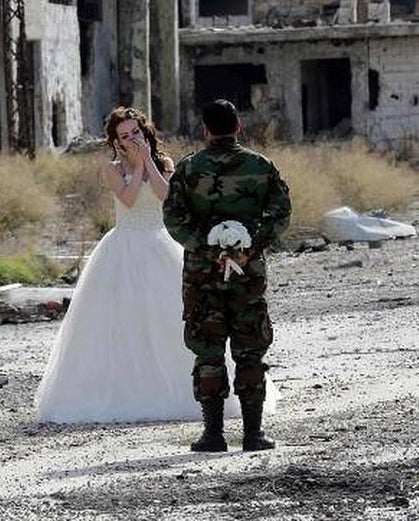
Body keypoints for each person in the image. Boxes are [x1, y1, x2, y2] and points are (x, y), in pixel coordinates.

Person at [33, 106, 272, 424]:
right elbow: (129, 199)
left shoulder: (165, 163)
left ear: (145, 132)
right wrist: (133, 165)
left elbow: (167, 197)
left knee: (171, 315)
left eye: (136, 132)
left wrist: (147, 162)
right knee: (120, 321)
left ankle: (199, 393)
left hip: (159, 242)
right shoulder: (112, 168)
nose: (131, 139)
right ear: (115, 141)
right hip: (123, 246)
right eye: (124, 135)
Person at [163, 99, 292, 452]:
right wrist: (250, 246)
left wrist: (207, 248)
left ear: (205, 130)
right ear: (238, 127)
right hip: (248, 276)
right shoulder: (260, 166)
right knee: (250, 349)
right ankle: (253, 434)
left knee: (208, 350)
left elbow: (174, 219)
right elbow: (281, 214)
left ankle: (213, 434)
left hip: (202, 277)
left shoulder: (189, 169)